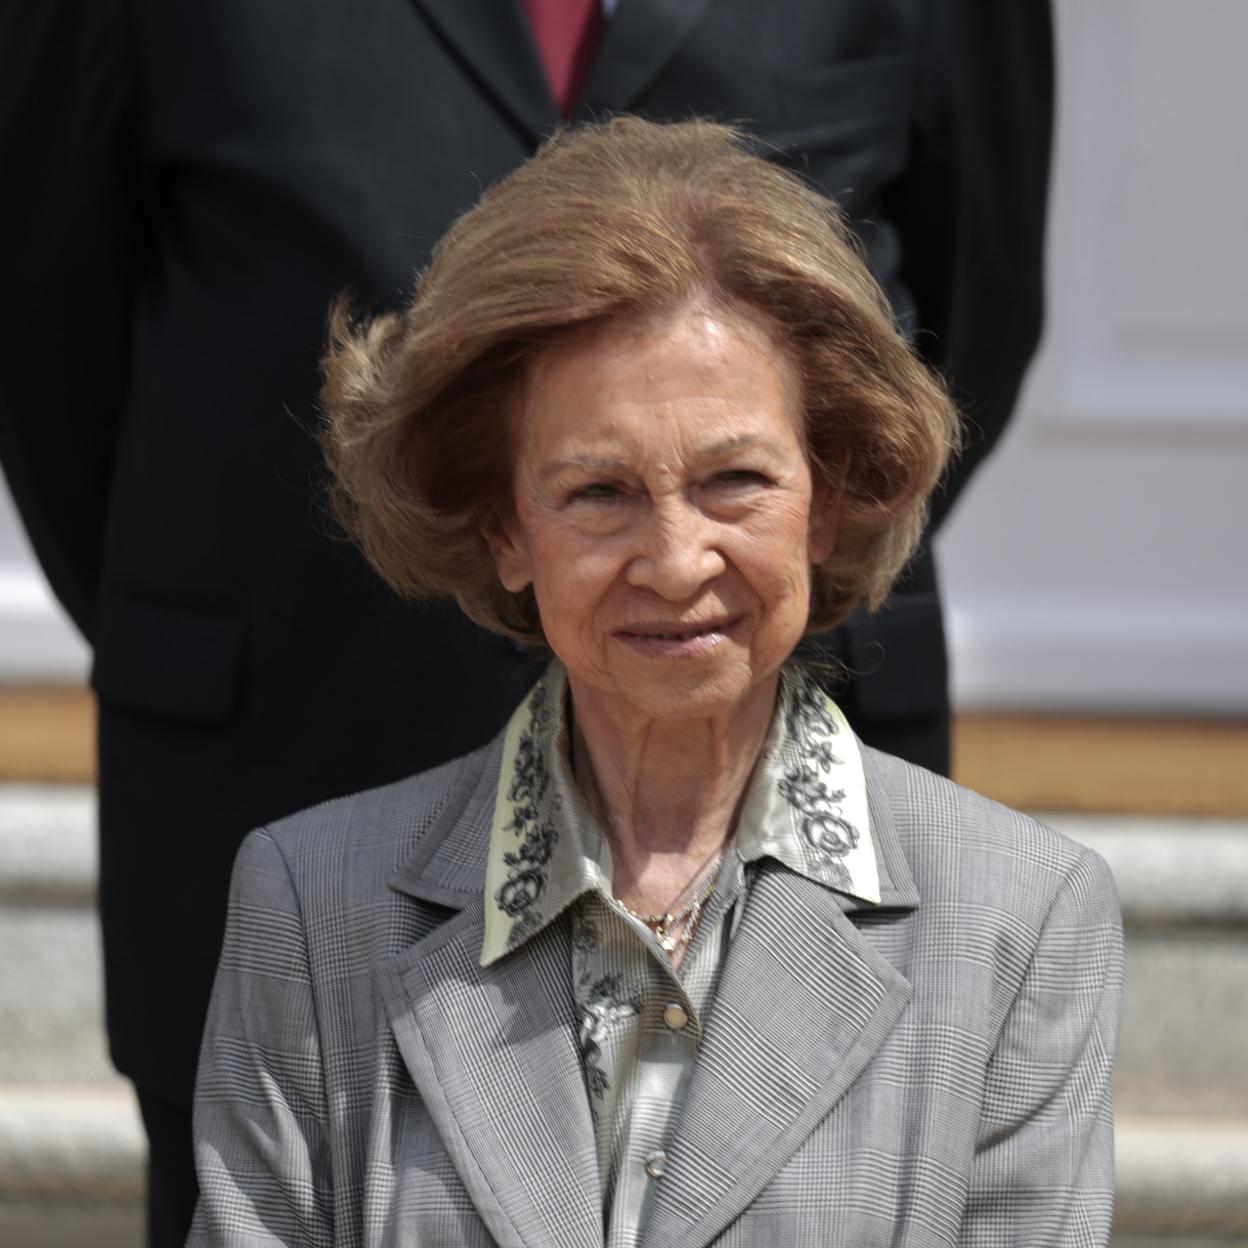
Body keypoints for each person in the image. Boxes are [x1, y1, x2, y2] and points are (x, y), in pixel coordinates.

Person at [0, 4, 1052, 1242]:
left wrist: (724, 601)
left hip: (801, 790)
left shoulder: (1020, 916)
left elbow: (967, 322)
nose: (668, 558)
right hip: (285, 755)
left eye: (735, 484)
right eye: (594, 500)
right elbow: (44, 334)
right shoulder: (294, 906)